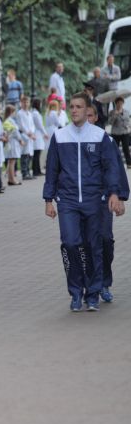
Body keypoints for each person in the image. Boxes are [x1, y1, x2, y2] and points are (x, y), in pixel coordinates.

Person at [43, 92, 121, 312]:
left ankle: (93, 293)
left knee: (94, 247)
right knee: (70, 244)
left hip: (94, 200)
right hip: (67, 201)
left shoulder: (99, 136)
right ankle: (76, 292)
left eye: (78, 107)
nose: (74, 110)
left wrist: (114, 193)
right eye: (72, 107)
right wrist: (48, 199)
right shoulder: (59, 137)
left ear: (88, 111)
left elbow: (110, 167)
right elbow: (51, 171)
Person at [86, 105, 129, 303]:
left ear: (95, 118)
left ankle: (104, 281)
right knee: (84, 244)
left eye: (89, 115)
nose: (86, 119)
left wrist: (120, 195)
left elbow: (116, 168)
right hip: (80, 201)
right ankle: (89, 286)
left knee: (105, 241)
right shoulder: (69, 140)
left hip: (103, 199)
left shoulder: (106, 140)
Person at [108, 96, 131, 168]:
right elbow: (110, 122)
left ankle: (129, 163)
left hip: (124, 132)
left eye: (121, 103)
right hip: (115, 133)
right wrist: (115, 115)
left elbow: (127, 121)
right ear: (115, 103)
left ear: (123, 103)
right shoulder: (112, 112)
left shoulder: (126, 112)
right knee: (115, 148)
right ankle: (115, 163)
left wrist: (127, 125)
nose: (119, 104)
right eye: (118, 103)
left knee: (126, 148)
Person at [16, 96, 36, 180]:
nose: (26, 104)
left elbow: (32, 124)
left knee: (29, 155)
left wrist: (32, 132)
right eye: (24, 102)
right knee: (24, 154)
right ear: (21, 103)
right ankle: (24, 173)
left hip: (30, 135)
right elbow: (21, 125)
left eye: (27, 102)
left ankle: (28, 171)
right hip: (24, 135)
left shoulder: (30, 113)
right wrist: (28, 133)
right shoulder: (20, 113)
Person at [3, 105, 23, 185]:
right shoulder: (10, 120)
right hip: (13, 142)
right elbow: (15, 131)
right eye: (14, 111)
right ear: (11, 112)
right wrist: (20, 139)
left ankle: (11, 178)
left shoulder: (8, 120)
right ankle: (12, 179)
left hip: (11, 141)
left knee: (11, 161)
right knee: (12, 161)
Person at [31, 98, 49, 176]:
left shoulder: (35, 113)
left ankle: (37, 170)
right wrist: (45, 133)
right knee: (36, 153)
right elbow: (40, 125)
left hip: (38, 133)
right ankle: (36, 170)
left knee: (37, 153)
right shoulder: (36, 114)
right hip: (37, 134)